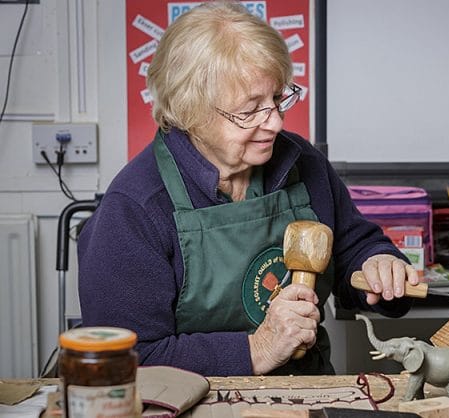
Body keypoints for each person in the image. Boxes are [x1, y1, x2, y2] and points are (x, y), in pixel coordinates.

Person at [78, 2, 419, 377]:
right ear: (190, 111)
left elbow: (354, 247)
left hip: (309, 392)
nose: (273, 122)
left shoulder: (303, 162)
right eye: (250, 110)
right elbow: (127, 360)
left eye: (277, 99)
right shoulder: (134, 209)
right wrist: (258, 347)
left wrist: (378, 264)